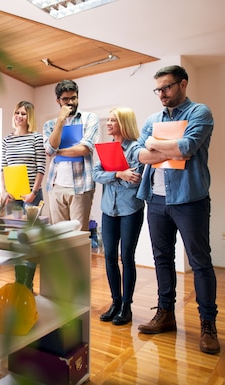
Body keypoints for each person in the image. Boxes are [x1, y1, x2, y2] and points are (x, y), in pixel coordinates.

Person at [135, 65, 219, 354]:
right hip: (156, 200)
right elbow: (138, 153)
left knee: (199, 262)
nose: (162, 93)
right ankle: (165, 313)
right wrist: (159, 148)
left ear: (183, 84)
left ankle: (208, 324)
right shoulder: (152, 119)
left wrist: (154, 145)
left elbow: (186, 148)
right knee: (162, 258)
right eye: (158, 89)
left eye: (167, 87)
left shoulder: (199, 112)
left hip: (190, 200)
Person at [92, 107, 145, 326]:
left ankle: (126, 306)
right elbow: (96, 174)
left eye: (113, 120)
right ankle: (115, 303)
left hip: (130, 209)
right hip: (108, 210)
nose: (109, 123)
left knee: (127, 258)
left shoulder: (136, 150)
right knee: (110, 257)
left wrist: (117, 176)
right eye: (109, 119)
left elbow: (134, 179)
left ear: (124, 123)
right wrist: (118, 173)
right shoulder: (106, 149)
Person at [43, 80, 99, 230]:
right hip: (56, 186)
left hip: (81, 186)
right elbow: (48, 150)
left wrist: (57, 151)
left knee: (78, 235)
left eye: (73, 98)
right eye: (65, 99)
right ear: (58, 101)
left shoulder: (90, 118)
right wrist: (60, 121)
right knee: (59, 236)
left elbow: (84, 148)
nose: (70, 103)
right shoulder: (49, 125)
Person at [0, 101, 45, 212]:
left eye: (23, 114)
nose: (19, 116)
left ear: (30, 117)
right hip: (12, 194)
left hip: (31, 194)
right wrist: (3, 190)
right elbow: (3, 167)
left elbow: (41, 168)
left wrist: (34, 193)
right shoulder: (7, 140)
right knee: (12, 228)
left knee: (30, 229)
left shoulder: (37, 138)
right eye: (17, 113)